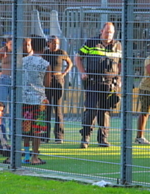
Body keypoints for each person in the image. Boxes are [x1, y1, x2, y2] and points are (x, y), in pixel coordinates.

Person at [75, 21, 122, 149]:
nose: (108, 35)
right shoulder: (91, 43)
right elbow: (78, 57)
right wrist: (83, 73)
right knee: (91, 110)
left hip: (110, 84)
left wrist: (119, 77)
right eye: (106, 32)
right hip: (93, 82)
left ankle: (103, 139)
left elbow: (121, 63)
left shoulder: (118, 45)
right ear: (101, 31)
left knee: (105, 111)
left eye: (111, 33)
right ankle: (85, 138)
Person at [21, 36, 50, 165]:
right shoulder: (45, 64)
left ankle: (26, 155)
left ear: (31, 46)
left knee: (26, 128)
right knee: (37, 129)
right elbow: (47, 83)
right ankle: (35, 157)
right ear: (44, 48)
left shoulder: (22, 61)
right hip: (39, 99)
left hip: (24, 98)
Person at [43, 35, 71, 143]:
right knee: (47, 108)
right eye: (53, 42)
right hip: (47, 81)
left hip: (58, 79)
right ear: (48, 43)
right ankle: (45, 136)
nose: (55, 45)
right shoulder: (45, 53)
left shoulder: (61, 53)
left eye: (57, 43)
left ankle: (59, 137)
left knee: (58, 108)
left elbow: (70, 63)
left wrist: (64, 74)